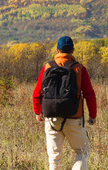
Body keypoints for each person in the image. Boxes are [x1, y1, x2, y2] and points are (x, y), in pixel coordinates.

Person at [33, 36, 97, 170]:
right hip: (74, 116)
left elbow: (37, 93)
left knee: (54, 158)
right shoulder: (79, 69)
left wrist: (38, 112)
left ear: (57, 50)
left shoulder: (47, 67)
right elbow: (89, 95)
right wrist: (92, 115)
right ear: (72, 50)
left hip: (51, 117)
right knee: (82, 151)